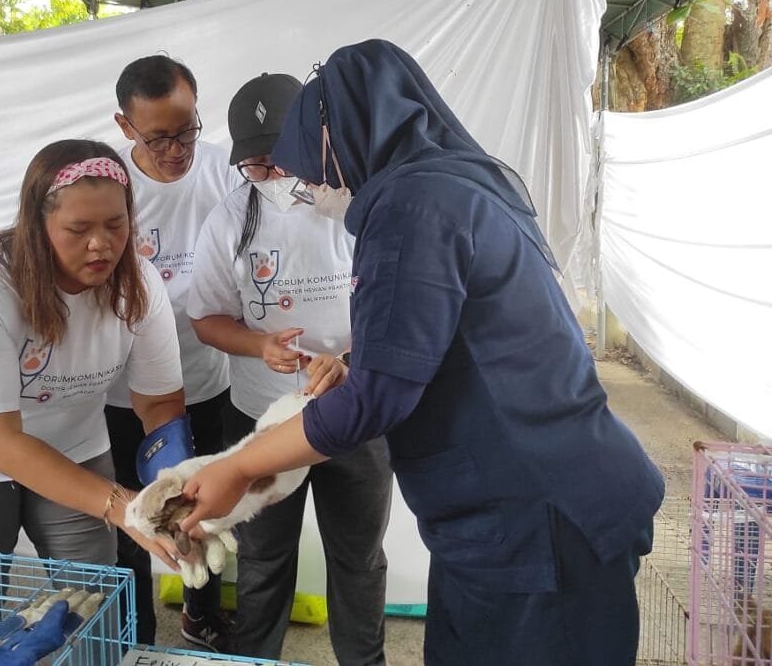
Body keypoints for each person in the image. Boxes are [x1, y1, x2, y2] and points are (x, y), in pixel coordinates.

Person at [180, 40, 666, 666]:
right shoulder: (457, 182)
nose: (310, 188)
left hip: (537, 516)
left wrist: (239, 468)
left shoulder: (414, 208)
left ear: (341, 137)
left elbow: (373, 403)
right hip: (503, 517)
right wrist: (356, 365)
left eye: (307, 171)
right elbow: (445, 336)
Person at [0, 139, 192, 611]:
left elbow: (160, 404)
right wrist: (119, 504)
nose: (101, 244)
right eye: (78, 228)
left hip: (74, 447)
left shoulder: (138, 283)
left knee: (93, 601)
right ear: (37, 226)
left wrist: (175, 487)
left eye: (116, 224)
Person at [187, 72, 391, 665]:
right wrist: (259, 346)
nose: (272, 177)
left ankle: (364, 660)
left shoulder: (356, 205)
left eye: (280, 160)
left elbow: (397, 309)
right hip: (263, 416)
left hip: (356, 411)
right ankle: (254, 657)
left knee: (358, 555)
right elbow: (207, 318)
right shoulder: (229, 220)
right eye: (254, 166)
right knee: (263, 556)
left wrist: (350, 360)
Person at [104, 55, 240, 650]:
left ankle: (201, 614)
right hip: (121, 390)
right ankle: (136, 633)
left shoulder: (224, 174)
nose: (178, 148)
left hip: (206, 379)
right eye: (160, 137)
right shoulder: (109, 187)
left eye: (188, 130)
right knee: (131, 516)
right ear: (125, 125)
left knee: (203, 511)